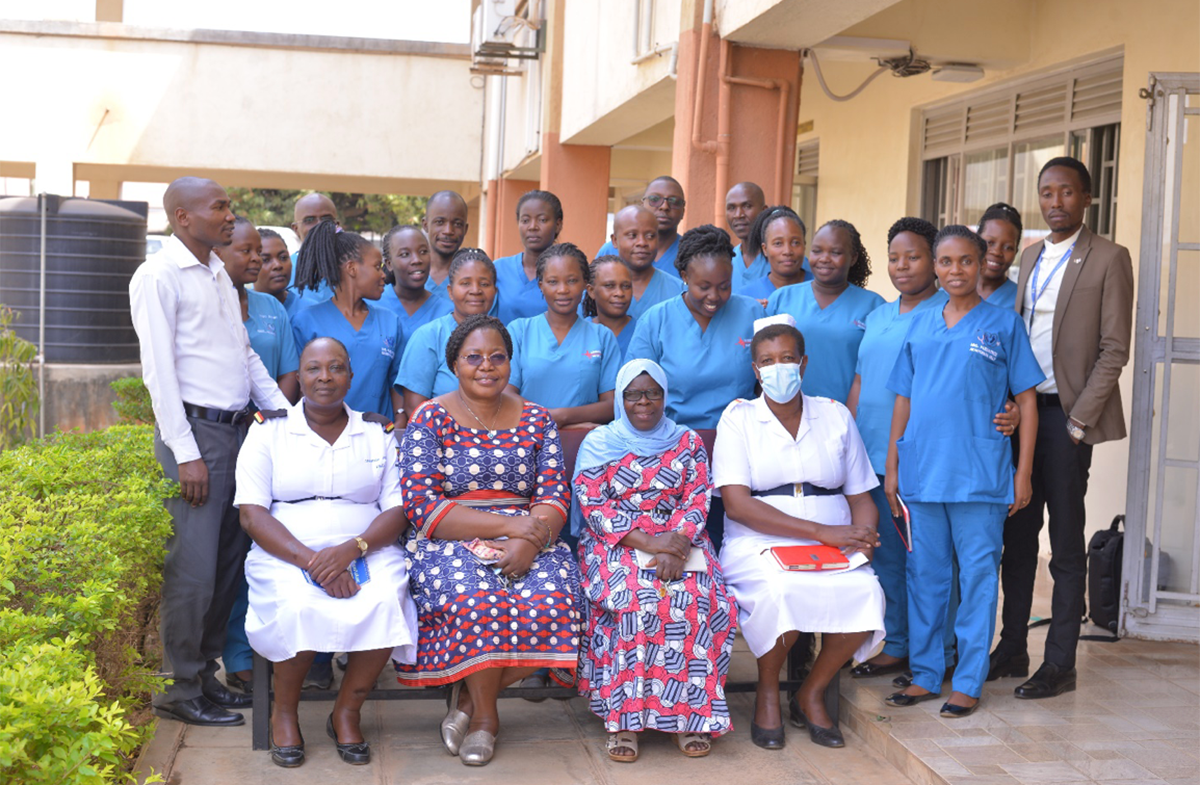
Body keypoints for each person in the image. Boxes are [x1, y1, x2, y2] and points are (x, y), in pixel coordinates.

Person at [129, 176, 290, 727]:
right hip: (197, 439)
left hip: (239, 434)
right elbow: (159, 372)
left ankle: (202, 676)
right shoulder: (158, 276)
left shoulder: (218, 271)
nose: (229, 215)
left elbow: (244, 356)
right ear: (181, 217)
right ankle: (177, 688)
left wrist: (287, 419)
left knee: (227, 564)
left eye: (228, 205)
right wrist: (185, 451)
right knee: (192, 570)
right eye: (218, 207)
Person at [396, 314, 582, 767]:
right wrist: (509, 528)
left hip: (532, 535)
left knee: (560, 599)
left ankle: (465, 703)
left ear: (510, 364)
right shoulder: (430, 417)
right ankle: (485, 719)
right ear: (454, 364)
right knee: (479, 600)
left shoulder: (537, 419)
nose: (486, 366)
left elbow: (555, 492)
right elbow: (423, 506)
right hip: (451, 536)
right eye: (473, 357)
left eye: (497, 357)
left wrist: (529, 542)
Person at [234, 337, 419, 768]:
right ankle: (284, 713)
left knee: (386, 597)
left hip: (365, 546)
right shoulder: (268, 430)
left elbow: (397, 509)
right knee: (298, 604)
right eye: (314, 369)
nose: (325, 377)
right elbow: (252, 515)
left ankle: (346, 713)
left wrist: (351, 551)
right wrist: (316, 563)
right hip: (287, 549)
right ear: (299, 378)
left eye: (336, 368)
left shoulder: (377, 433)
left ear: (350, 377)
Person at [883, 225, 1042, 718]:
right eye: (947, 262)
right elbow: (903, 400)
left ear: (983, 264)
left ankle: (968, 680)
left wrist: (1023, 474)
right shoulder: (921, 325)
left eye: (966, 261)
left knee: (976, 577)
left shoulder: (1003, 325)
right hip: (924, 471)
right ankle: (928, 673)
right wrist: (892, 468)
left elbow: (1028, 403)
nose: (956, 271)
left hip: (979, 474)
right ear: (935, 266)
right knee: (925, 576)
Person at [992, 157, 1134, 699]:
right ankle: (1011, 648)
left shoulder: (1109, 258)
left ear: (1087, 199)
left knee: (1067, 545)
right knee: (1018, 538)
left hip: (1066, 420)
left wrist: (1078, 422)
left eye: (1067, 192)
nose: (1056, 202)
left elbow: (1114, 349)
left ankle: (1060, 663)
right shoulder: (1029, 257)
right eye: (1047, 192)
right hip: (1023, 415)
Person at [715, 317, 884, 750]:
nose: (778, 368)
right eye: (767, 361)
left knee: (865, 591)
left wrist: (863, 533)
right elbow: (737, 504)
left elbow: (862, 492)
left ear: (803, 364)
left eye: (787, 358)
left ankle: (811, 690)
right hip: (759, 541)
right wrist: (821, 532)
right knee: (780, 591)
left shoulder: (834, 415)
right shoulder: (739, 419)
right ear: (755, 370)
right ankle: (768, 690)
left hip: (833, 540)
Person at [573, 359, 737, 761]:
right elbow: (594, 505)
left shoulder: (687, 442)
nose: (643, 402)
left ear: (665, 396)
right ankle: (624, 721)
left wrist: (677, 542)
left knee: (699, 600)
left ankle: (689, 718)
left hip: (682, 540)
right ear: (620, 399)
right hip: (617, 542)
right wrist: (651, 542)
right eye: (632, 394)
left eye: (653, 393)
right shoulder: (600, 443)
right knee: (636, 600)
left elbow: (699, 496)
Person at [214, 217, 302, 694]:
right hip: (228, 434)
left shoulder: (272, 308)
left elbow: (289, 372)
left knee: (272, 542)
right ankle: (238, 654)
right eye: (253, 253)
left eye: (269, 255)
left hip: (271, 432)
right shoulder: (214, 302)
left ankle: (283, 651)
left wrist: (268, 419)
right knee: (233, 548)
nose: (261, 263)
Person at [627, 224, 765, 430]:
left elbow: (767, 382)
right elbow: (634, 391)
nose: (714, 296)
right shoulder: (656, 321)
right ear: (685, 276)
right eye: (704, 287)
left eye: (724, 286)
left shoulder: (752, 314)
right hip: (672, 439)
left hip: (741, 435)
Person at [290, 221, 404, 423]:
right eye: (377, 267)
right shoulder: (306, 321)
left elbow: (397, 383)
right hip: (323, 433)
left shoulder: (390, 321)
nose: (383, 275)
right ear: (352, 268)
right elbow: (299, 387)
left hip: (377, 435)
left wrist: (398, 426)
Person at [767, 219, 883, 403]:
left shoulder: (874, 306)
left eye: (835, 252)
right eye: (817, 251)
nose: (824, 258)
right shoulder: (781, 299)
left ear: (853, 257)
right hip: (787, 414)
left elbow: (876, 370)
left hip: (846, 417)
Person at [508, 242, 619, 429]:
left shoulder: (602, 337)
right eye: (553, 282)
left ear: (585, 283)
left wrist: (562, 417)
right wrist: (554, 419)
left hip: (585, 446)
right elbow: (507, 396)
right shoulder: (518, 331)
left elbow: (611, 406)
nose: (562, 290)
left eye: (572, 280)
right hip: (527, 443)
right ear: (541, 286)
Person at [394, 248, 499, 418]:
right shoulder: (428, 336)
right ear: (450, 291)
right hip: (443, 438)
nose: (475, 290)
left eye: (484, 284)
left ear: (495, 291)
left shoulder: (504, 337)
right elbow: (415, 408)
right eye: (465, 283)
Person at [494, 190, 563, 323]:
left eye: (542, 220)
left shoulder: (570, 273)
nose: (532, 227)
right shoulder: (498, 270)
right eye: (525, 220)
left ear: (558, 225)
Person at [597, 176, 687, 279]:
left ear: (683, 211)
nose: (664, 207)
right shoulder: (610, 250)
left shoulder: (691, 254)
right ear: (642, 205)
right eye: (655, 199)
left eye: (674, 201)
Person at [375, 224, 454, 340]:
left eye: (423, 252)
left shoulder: (448, 313)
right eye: (405, 254)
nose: (417, 260)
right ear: (389, 264)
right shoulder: (372, 305)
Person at [609, 204, 684, 320]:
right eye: (632, 235)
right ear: (615, 240)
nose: (642, 242)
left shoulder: (679, 292)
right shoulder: (598, 291)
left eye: (650, 236)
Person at [739, 206, 810, 303]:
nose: (787, 251)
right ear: (765, 249)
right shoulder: (746, 297)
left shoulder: (825, 289)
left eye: (795, 242)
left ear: (804, 245)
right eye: (778, 243)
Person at [285, 193, 339, 312]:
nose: (319, 225)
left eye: (326, 219)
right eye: (309, 220)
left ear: (336, 225)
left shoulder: (353, 269)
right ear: (296, 229)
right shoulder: (282, 271)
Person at [582, 254, 636, 359]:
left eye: (626, 286)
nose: (619, 293)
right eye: (609, 286)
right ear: (591, 291)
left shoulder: (643, 333)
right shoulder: (578, 334)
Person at [423, 191, 471, 297]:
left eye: (457, 224)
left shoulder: (473, 277)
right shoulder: (410, 274)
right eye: (440, 222)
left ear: (465, 229)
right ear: (425, 225)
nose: (448, 231)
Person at [977, 203, 1023, 310]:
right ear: (976, 241)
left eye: (1008, 247)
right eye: (990, 242)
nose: (997, 252)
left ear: (1016, 252)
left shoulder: (1021, 301)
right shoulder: (950, 293)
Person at [725, 181, 769, 291]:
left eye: (747, 206)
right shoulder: (726, 260)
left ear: (764, 211)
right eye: (731, 208)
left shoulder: (786, 260)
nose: (738, 215)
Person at [254, 228, 300, 316]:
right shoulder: (238, 310)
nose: (277, 265)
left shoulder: (310, 311)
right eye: (265, 260)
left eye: (283, 257)